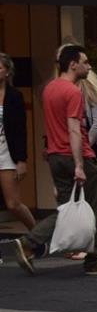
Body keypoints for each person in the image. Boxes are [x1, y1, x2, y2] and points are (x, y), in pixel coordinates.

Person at [16, 44, 97, 276]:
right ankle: (95, 261)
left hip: (56, 156)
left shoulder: (49, 89)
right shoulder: (73, 92)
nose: (89, 66)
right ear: (73, 64)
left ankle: (29, 243)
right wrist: (80, 165)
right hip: (76, 155)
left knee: (66, 211)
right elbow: (74, 130)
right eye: (85, 62)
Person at [0, 53, 36, 234]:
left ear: (7, 71)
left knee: (13, 203)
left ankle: (37, 234)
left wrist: (22, 160)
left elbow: (21, 129)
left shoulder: (15, 96)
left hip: (7, 153)